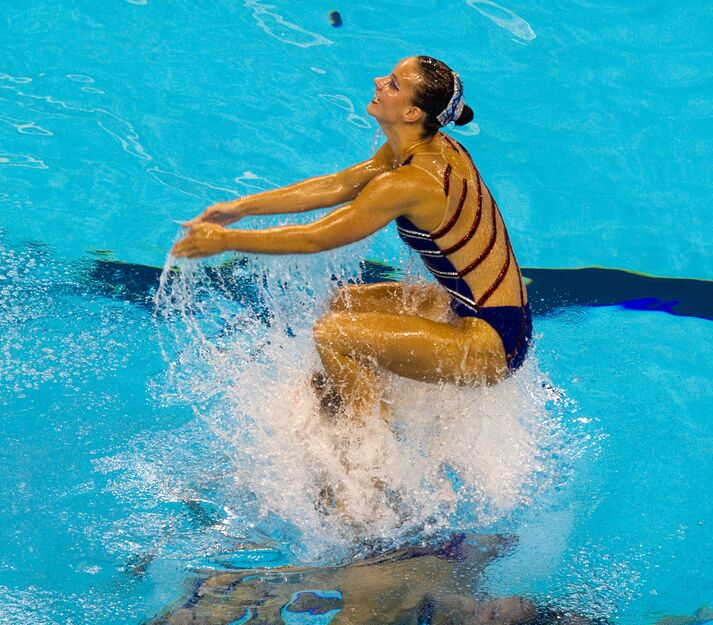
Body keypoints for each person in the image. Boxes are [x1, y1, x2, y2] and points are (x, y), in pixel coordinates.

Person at [171, 56, 532, 421]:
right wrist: (241, 209)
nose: (378, 82)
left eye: (393, 84)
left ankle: (368, 458)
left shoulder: (412, 182)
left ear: (411, 113)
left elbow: (315, 238)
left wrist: (227, 242)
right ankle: (339, 411)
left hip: (493, 342)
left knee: (333, 335)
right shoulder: (426, 148)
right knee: (345, 304)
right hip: (477, 310)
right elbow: (338, 185)